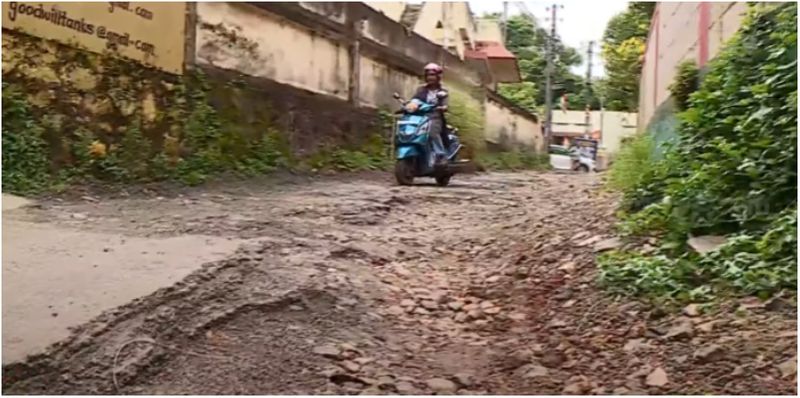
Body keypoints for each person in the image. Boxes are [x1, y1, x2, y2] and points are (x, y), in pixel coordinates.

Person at [411, 63, 449, 165]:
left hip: (434, 117)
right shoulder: (421, 89)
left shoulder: (443, 91)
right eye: (428, 75)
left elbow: (445, 104)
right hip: (419, 117)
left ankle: (440, 154)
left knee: (432, 132)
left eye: (432, 75)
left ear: (438, 77)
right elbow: (415, 99)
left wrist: (442, 107)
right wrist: (412, 105)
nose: (430, 77)